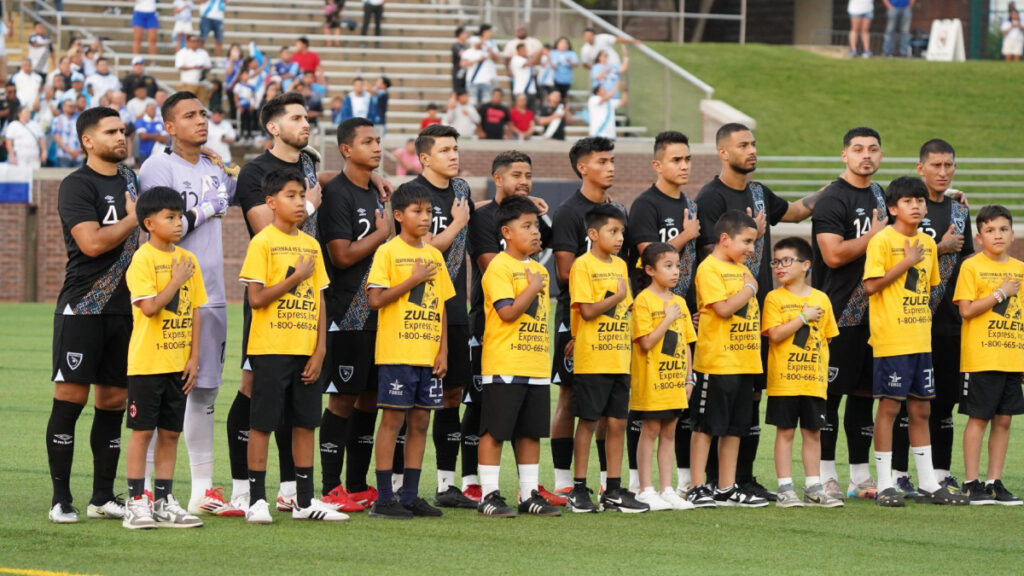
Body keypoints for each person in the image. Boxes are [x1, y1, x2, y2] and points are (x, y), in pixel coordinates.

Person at [695, 122, 822, 503]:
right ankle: (709, 482)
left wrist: (837, 187)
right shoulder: (710, 197)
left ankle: (741, 480)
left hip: (756, 319)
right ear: (723, 152)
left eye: (753, 144)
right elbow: (708, 256)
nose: (752, 150)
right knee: (715, 410)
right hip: (727, 319)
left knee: (749, 401)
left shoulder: (759, 192)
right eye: (743, 145)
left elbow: (798, 212)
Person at [138, 91, 242, 517]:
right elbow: (164, 223)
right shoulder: (157, 166)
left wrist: (225, 179)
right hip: (168, 293)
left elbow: (239, 193)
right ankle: (143, 491)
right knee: (158, 393)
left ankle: (202, 490)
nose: (201, 120)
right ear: (169, 125)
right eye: (189, 115)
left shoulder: (214, 166)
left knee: (205, 391)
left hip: (212, 292)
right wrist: (208, 207)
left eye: (203, 113)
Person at [239, 169, 346, 523]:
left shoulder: (311, 244)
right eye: (290, 195)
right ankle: (256, 500)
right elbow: (256, 299)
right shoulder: (263, 242)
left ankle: (303, 500)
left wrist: (320, 350)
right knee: (263, 424)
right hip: (270, 349)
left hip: (306, 350)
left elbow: (319, 300)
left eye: (302, 195)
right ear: (271, 203)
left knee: (304, 423)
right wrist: (296, 277)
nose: (300, 202)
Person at [46, 106, 136, 524]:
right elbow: (92, 244)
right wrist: (138, 215)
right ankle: (61, 499)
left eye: (123, 130)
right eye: (111, 131)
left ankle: (103, 497)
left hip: (126, 309)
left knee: (114, 401)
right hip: (83, 307)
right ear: (87, 140)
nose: (121, 136)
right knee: (70, 399)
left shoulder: (133, 181)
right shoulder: (75, 185)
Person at [863, 176, 967, 507]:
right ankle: (884, 484)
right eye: (908, 201)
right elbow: (871, 285)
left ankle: (928, 483)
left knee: (922, 408)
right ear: (893, 208)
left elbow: (928, 288)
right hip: (892, 340)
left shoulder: (926, 242)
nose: (917, 205)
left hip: (921, 339)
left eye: (920, 200)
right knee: (890, 407)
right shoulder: (882, 241)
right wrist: (906, 262)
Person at [389, 124, 477, 510]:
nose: (454, 156)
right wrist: (458, 223)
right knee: (407, 403)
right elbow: (424, 251)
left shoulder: (461, 192)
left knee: (451, 395)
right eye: (445, 150)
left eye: (455, 148)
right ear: (424, 158)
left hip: (453, 307)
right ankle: (394, 486)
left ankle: (445, 483)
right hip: (413, 314)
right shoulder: (414, 196)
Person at [464, 151, 556, 504]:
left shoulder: (540, 269)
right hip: (504, 364)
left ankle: (529, 493)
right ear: (506, 232)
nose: (535, 233)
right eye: (527, 227)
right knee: (495, 429)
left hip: (534, 363)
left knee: (530, 431)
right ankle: (489, 494)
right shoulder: (499, 267)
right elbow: (506, 313)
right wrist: (531, 288)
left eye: (536, 227)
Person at [365, 184, 455, 519]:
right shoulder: (388, 252)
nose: (425, 218)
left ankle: (411, 495)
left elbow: (441, 306)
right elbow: (375, 300)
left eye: (429, 212)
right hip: (397, 353)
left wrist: (442, 351)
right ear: (399, 215)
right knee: (392, 421)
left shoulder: (434, 255)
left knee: (420, 423)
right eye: (417, 212)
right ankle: (384, 498)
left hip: (428, 356)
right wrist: (412, 280)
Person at [315, 118, 392, 513]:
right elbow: (340, 256)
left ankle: (360, 484)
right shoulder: (338, 194)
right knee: (342, 400)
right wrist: (381, 234)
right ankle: (330, 487)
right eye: (367, 141)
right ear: (346, 149)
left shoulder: (377, 192)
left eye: (378, 141)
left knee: (371, 398)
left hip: (381, 314)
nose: (377, 147)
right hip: (348, 311)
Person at [121, 186, 207, 530]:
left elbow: (196, 311)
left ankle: (163, 501)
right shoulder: (142, 260)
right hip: (147, 365)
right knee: (142, 433)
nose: (178, 223)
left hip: (178, 365)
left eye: (180, 216)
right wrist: (174, 281)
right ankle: (134, 502)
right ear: (149, 223)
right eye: (169, 217)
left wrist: (193, 357)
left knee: (170, 433)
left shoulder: (189, 260)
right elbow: (152, 307)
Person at [890, 139, 973, 495]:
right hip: (908, 320)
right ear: (920, 167)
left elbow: (968, 262)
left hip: (949, 322)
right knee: (904, 402)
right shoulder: (908, 209)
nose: (943, 172)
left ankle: (940, 474)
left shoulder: (959, 212)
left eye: (948, 166)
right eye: (936, 166)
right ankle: (897, 474)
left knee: (943, 402)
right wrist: (938, 248)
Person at [810, 127, 888, 502]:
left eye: (873, 149)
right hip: (839, 315)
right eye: (858, 149)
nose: (866, 155)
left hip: (876, 315)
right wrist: (874, 236)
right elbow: (833, 255)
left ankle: (860, 475)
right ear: (845, 155)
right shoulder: (833, 198)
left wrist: (949, 199)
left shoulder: (879, 194)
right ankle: (825, 475)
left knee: (864, 397)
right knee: (829, 398)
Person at [624, 131, 700, 495]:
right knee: (648, 419)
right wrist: (685, 236)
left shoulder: (690, 202)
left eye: (687, 159)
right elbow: (649, 256)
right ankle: (640, 484)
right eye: (675, 160)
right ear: (657, 164)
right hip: (653, 313)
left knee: (672, 418)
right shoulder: (645, 205)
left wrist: (689, 309)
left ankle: (672, 486)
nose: (684, 166)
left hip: (680, 312)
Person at [548, 136, 620, 499]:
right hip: (575, 317)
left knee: (609, 402)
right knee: (568, 394)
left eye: (612, 161)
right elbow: (563, 272)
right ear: (583, 167)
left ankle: (610, 480)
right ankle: (564, 478)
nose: (610, 167)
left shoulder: (617, 209)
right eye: (603, 161)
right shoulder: (568, 213)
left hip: (614, 321)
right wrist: (599, 273)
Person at [565, 204, 646, 514]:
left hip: (618, 358)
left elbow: (627, 310)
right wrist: (616, 297)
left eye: (622, 232)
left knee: (617, 423)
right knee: (587, 422)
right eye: (613, 232)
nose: (620, 238)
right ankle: (579, 487)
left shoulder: (620, 266)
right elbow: (586, 310)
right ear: (593, 234)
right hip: (593, 359)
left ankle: (613, 488)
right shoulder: (583, 266)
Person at [687, 209, 768, 508]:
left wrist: (749, 284)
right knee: (707, 426)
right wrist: (750, 288)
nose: (750, 248)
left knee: (736, 428)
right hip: (717, 362)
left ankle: (726, 486)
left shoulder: (743, 269)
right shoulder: (710, 269)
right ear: (724, 239)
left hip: (745, 362)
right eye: (746, 241)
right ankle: (696, 486)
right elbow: (721, 309)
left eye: (754, 242)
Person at [761, 237, 843, 508]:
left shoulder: (821, 298)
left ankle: (813, 486)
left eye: (787, 261)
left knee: (813, 433)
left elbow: (827, 337)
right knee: (785, 432)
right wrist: (803, 318)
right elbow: (774, 335)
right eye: (776, 262)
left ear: (806, 265)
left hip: (813, 382)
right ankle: (785, 487)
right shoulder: (774, 298)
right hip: (784, 381)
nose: (780, 267)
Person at [953, 205, 1024, 506]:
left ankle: (995, 482)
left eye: (1004, 229)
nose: (998, 235)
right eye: (991, 230)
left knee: (1004, 420)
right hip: (982, 357)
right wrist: (1000, 293)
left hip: (1012, 357)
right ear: (980, 237)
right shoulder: (972, 266)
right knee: (979, 418)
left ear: (1012, 233)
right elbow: (966, 310)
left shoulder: (1020, 269)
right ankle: (972, 483)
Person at [629, 242, 697, 511]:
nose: (675, 271)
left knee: (670, 430)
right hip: (651, 380)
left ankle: (667, 489)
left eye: (677, 266)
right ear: (650, 270)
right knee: (651, 430)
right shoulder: (643, 300)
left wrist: (689, 378)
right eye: (667, 266)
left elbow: (686, 343)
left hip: (675, 381)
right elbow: (645, 342)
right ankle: (645, 489)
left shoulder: (679, 301)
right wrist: (667, 319)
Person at [176, 35, 212, 103]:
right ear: (188, 42)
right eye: (193, 41)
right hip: (188, 83)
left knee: (201, 105)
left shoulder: (203, 53)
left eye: (197, 41)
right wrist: (193, 67)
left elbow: (209, 66)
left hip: (201, 83)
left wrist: (203, 68)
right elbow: (179, 66)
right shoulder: (182, 52)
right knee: (187, 104)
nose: (195, 43)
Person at [133, 102, 168, 166]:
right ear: (146, 110)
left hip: (158, 154)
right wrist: (157, 136)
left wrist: (149, 136)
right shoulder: (141, 121)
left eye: (154, 109)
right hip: (145, 153)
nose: (153, 111)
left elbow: (165, 139)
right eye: (151, 109)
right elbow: (143, 136)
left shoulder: (160, 122)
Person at [509, 43, 540, 110]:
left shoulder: (528, 58)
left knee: (531, 112)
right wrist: (538, 52)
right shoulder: (516, 59)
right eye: (523, 49)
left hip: (531, 90)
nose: (526, 51)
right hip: (521, 90)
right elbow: (528, 63)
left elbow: (536, 62)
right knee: (520, 111)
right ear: (518, 51)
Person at [53, 99, 82, 168]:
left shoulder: (80, 119)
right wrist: (69, 151)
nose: (72, 108)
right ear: (64, 107)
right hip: (64, 156)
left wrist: (78, 151)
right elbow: (57, 138)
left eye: (74, 106)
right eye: (70, 106)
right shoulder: (58, 119)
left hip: (79, 156)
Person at [451, 26, 470, 94]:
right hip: (458, 73)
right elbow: (463, 55)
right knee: (456, 93)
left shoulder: (464, 46)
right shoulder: (456, 45)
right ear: (460, 34)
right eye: (465, 33)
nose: (466, 35)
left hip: (464, 72)